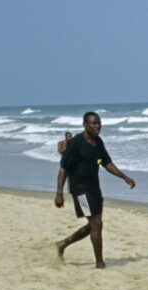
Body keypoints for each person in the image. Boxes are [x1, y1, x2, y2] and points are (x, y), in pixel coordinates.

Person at [55, 112, 136, 268]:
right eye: (93, 123)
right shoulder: (76, 143)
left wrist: (125, 177)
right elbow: (63, 169)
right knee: (96, 223)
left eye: (99, 123)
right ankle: (100, 263)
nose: (97, 126)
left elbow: (106, 163)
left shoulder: (98, 142)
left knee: (95, 225)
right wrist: (59, 193)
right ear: (85, 125)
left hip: (94, 189)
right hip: (80, 190)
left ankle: (63, 244)